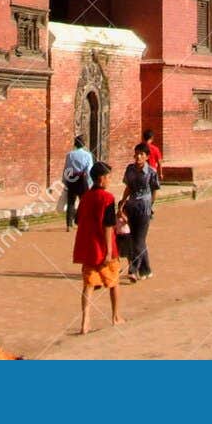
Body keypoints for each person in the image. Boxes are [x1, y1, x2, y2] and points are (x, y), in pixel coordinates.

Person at [71, 161, 124, 333]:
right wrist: (109, 250)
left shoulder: (85, 197)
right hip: (104, 246)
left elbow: (77, 220)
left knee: (89, 284)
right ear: (101, 179)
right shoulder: (107, 198)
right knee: (114, 281)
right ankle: (116, 316)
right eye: (108, 177)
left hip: (88, 248)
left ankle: (85, 322)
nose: (109, 180)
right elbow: (108, 225)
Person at [121, 143, 159, 281]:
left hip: (144, 209)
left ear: (147, 157)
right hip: (131, 207)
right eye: (136, 154)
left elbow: (154, 191)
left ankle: (133, 269)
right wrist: (122, 202)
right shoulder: (130, 169)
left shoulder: (151, 173)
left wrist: (150, 206)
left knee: (139, 239)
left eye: (141, 154)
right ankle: (146, 269)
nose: (138, 157)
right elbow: (128, 188)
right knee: (134, 239)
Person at [61, 135, 94, 231]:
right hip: (82, 179)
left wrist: (65, 181)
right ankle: (81, 221)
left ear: (75, 144)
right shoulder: (88, 155)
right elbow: (89, 170)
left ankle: (69, 225)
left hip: (72, 179)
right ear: (84, 144)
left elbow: (66, 168)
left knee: (71, 202)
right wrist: (89, 182)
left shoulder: (70, 155)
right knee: (84, 202)